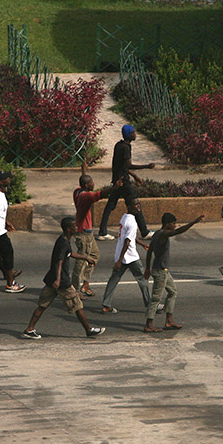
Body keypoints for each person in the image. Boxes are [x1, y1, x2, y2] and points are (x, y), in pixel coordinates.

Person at [22, 217, 106, 339]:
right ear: (68, 229)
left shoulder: (64, 240)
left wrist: (85, 258)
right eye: (74, 226)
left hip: (52, 280)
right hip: (61, 281)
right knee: (77, 305)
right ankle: (89, 330)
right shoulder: (63, 243)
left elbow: (69, 253)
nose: (77, 228)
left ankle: (29, 329)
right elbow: (59, 262)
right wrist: (58, 279)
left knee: (42, 305)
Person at [143, 212, 204, 333]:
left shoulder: (156, 234)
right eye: (173, 223)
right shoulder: (163, 234)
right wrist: (193, 222)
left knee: (172, 292)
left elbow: (150, 251)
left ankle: (169, 321)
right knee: (156, 298)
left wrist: (148, 268)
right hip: (160, 271)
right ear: (167, 224)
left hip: (163, 270)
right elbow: (178, 231)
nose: (175, 225)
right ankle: (148, 324)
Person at [97, 124, 156, 241]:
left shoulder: (119, 145)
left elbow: (122, 166)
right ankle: (144, 232)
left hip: (117, 181)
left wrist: (135, 176)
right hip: (123, 183)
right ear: (129, 135)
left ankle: (102, 232)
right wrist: (147, 166)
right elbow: (128, 165)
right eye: (133, 132)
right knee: (135, 204)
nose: (135, 134)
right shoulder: (126, 148)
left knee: (110, 205)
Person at [72, 161, 121, 296]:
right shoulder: (86, 196)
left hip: (86, 232)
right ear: (87, 185)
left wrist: (84, 170)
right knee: (81, 261)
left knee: (94, 255)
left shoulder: (78, 191)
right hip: (83, 234)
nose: (94, 184)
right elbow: (101, 193)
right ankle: (74, 289)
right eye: (92, 182)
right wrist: (114, 187)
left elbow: (83, 180)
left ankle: (85, 284)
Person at [101, 198, 152, 314]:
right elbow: (127, 241)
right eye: (135, 205)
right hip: (130, 256)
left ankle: (106, 304)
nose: (138, 207)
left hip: (121, 254)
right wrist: (119, 260)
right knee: (142, 279)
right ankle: (150, 304)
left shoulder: (125, 217)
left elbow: (130, 237)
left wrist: (143, 244)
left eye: (139, 204)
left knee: (113, 279)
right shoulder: (133, 222)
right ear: (129, 206)